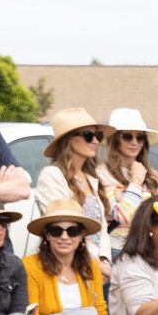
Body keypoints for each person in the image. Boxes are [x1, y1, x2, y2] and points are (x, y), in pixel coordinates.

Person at [26, 197, 133, 315]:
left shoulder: (91, 266)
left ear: (82, 235)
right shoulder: (30, 266)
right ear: (47, 235)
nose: (64, 237)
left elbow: (101, 308)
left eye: (73, 231)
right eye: (56, 231)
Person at [34, 108, 114, 254]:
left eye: (98, 135)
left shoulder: (92, 178)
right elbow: (61, 227)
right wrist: (96, 261)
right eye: (88, 135)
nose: (95, 141)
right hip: (66, 263)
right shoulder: (52, 175)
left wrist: (104, 259)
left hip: (96, 268)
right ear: (68, 139)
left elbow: (102, 230)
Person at [98, 107, 158, 254]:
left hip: (148, 250)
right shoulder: (102, 175)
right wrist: (136, 182)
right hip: (116, 250)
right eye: (128, 136)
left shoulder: (154, 177)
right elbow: (122, 216)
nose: (135, 142)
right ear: (115, 139)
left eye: (140, 137)